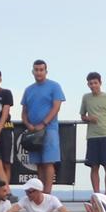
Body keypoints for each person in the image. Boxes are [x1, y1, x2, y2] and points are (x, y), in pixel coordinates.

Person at [21, 59, 66, 192]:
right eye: (36, 70)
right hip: (33, 131)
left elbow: (56, 107)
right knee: (38, 164)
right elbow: (24, 111)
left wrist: (44, 123)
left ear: (46, 71)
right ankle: (39, 192)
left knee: (48, 162)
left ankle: (47, 193)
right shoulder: (28, 90)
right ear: (32, 71)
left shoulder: (54, 86)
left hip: (49, 129)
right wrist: (27, 124)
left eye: (41, 70)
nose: (39, 72)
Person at [79, 72, 106, 196]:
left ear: (100, 83)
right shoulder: (86, 97)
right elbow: (82, 116)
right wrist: (88, 119)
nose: (93, 85)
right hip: (92, 136)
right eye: (91, 83)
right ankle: (97, 194)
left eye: (95, 83)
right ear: (88, 84)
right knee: (94, 166)